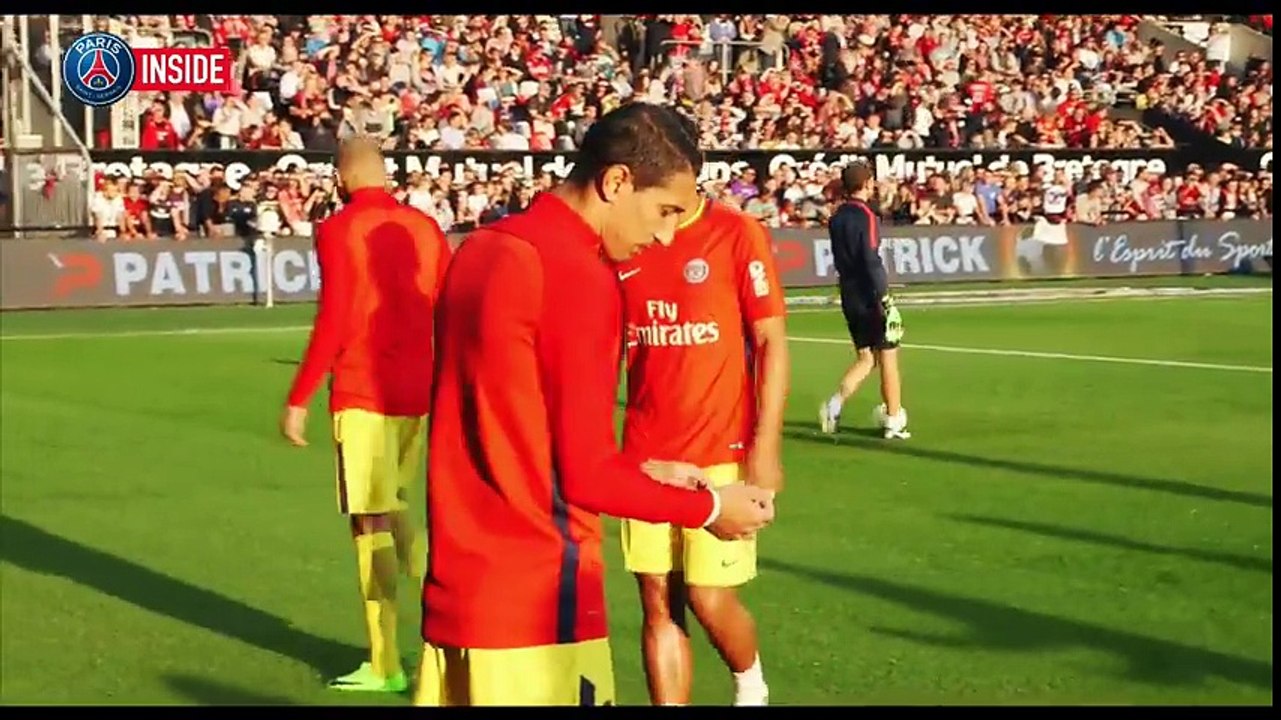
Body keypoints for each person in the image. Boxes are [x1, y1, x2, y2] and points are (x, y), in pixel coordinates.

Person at [414, 103, 777, 707]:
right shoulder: (579, 276)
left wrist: (646, 470)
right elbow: (584, 477)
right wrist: (711, 506)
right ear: (615, 182)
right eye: (663, 211)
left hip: (461, 597)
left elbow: (518, 429)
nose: (663, 235)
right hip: (539, 604)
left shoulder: (482, 248)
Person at [280, 135, 453, 693]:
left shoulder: (337, 230)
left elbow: (336, 316)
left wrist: (299, 397)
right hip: (420, 392)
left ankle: (387, 661)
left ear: (339, 178)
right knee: (395, 508)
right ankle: (443, 611)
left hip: (364, 393)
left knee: (370, 520)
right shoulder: (424, 227)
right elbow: (451, 306)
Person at [615, 192, 789, 706]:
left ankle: (751, 687)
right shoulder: (625, 238)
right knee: (658, 603)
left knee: (708, 596)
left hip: (721, 451)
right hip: (646, 457)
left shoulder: (734, 233)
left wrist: (766, 445)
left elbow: (771, 341)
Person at [818, 162, 910, 439]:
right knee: (889, 355)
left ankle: (834, 405)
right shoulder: (866, 215)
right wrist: (884, 295)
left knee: (866, 358)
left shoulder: (837, 217)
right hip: (869, 292)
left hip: (849, 291)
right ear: (867, 184)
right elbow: (870, 258)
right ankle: (893, 418)